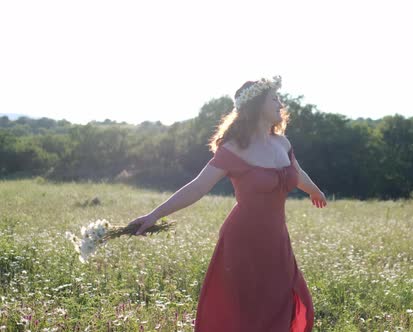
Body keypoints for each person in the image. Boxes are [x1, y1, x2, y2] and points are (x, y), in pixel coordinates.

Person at [127, 75, 327, 331]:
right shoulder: (233, 149)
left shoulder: (283, 143)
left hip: (277, 240)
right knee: (246, 313)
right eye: (274, 99)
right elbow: (198, 187)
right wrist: (154, 214)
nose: (281, 103)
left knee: (286, 304)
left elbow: (297, 174)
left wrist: (315, 191)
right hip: (242, 241)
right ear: (256, 106)